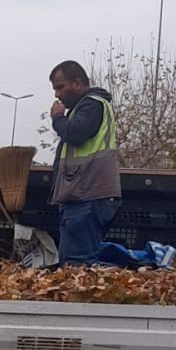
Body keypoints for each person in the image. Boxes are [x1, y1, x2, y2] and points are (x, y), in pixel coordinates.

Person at [48, 60, 122, 266]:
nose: (56, 95)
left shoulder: (92, 104)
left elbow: (76, 133)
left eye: (60, 87)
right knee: (75, 263)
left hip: (88, 196)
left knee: (77, 265)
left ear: (78, 83)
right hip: (84, 197)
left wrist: (57, 119)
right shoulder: (88, 107)